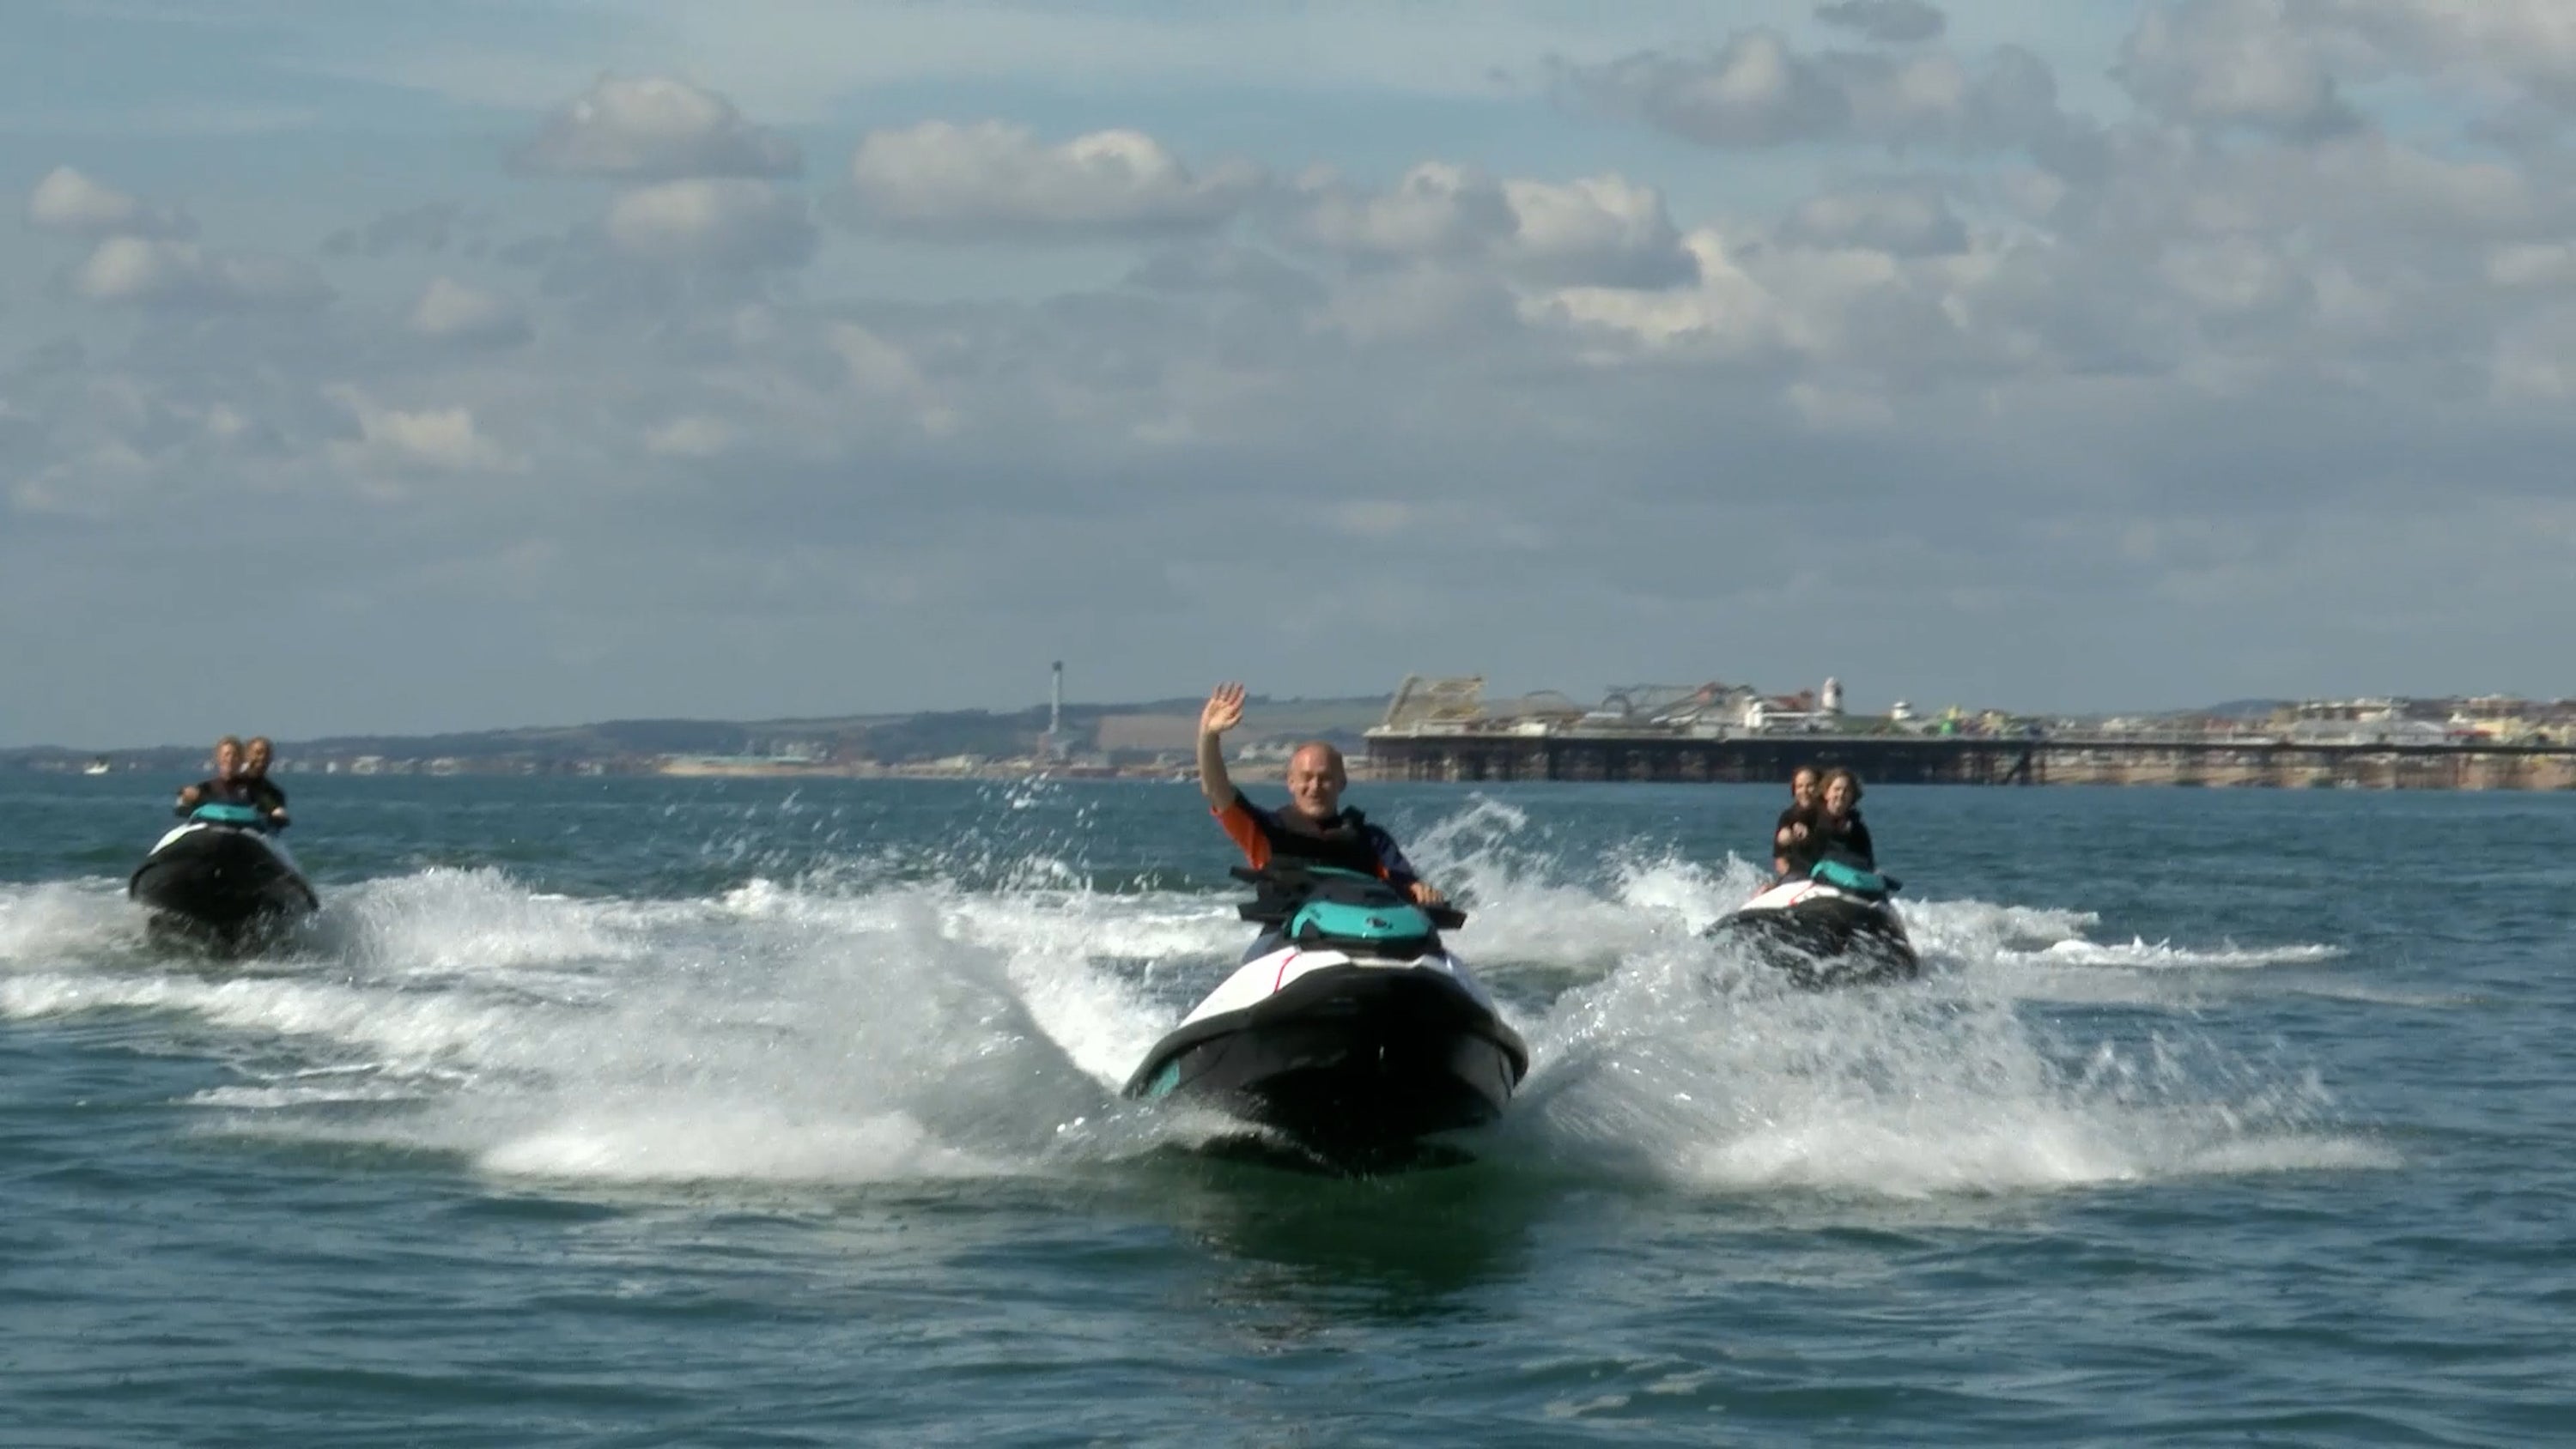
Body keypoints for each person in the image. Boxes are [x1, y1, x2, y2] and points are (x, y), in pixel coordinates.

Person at [1194, 681, 1444, 906]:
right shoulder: (1266, 831)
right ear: (1290, 783)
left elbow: (1407, 885)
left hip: (1360, 936)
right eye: (1306, 778)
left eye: (1325, 779)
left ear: (1342, 782)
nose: (1314, 787)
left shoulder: (1371, 839)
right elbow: (1216, 791)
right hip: (1288, 937)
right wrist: (1209, 737)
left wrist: (1421, 891)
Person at [1813, 768, 1875, 869]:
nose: (1841, 794)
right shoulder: (1812, 820)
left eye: (1846, 790)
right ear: (1826, 793)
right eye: (1837, 789)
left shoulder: (1858, 828)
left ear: (1852, 796)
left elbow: (1868, 861)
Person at [173, 736, 252, 815]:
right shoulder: (207, 788)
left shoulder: (250, 788)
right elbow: (180, 811)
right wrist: (186, 800)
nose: (230, 759)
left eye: (235, 755)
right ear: (218, 758)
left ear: (241, 760)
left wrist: (201, 799)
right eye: (226, 755)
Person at [1771, 766, 1820, 877]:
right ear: (1794, 790)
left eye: (1810, 786)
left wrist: (1808, 838)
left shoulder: (1827, 814)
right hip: (1796, 876)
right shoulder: (1788, 816)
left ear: (1820, 787)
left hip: (1824, 874)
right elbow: (1780, 859)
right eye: (1800, 786)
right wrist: (1789, 876)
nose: (1804, 791)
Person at [240, 736, 290, 829]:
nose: (262, 757)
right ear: (247, 755)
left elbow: (278, 820)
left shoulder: (276, 794)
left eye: (266, 754)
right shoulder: (230, 784)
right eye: (258, 753)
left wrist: (278, 815)